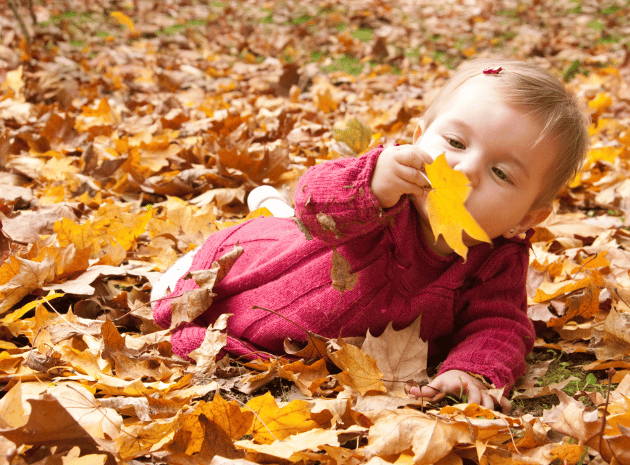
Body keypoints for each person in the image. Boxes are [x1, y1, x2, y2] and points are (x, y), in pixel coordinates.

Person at [152, 57, 588, 412]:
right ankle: (263, 216)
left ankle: (271, 209)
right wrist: (371, 183)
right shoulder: (383, 192)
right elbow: (313, 201)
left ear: (528, 218)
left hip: (340, 340)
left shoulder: (496, 259)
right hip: (276, 266)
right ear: (419, 139)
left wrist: (473, 370)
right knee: (257, 243)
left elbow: (500, 325)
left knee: (285, 223)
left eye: (500, 172)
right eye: (455, 143)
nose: (466, 169)